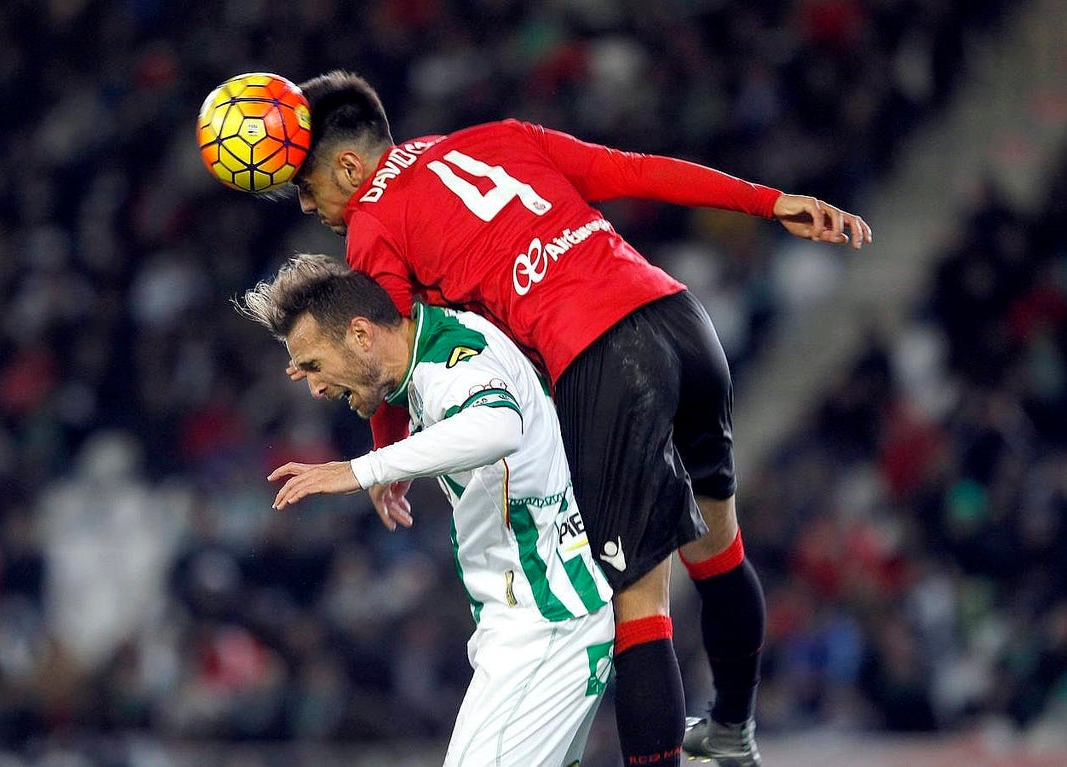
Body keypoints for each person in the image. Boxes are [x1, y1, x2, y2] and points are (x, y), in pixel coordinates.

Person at [282, 70, 873, 767]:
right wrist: (769, 201)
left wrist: (388, 456)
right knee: (719, 545)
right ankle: (734, 729)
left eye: (307, 185)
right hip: (679, 317)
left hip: (603, 356)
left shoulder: (373, 223)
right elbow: (636, 171)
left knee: (638, 601)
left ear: (350, 166)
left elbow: (381, 347)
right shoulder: (500, 138)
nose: (307, 205)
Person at [235, 254, 615, 767]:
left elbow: (500, 426)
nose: (316, 388)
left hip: (546, 622)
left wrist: (360, 469)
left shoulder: (446, 368)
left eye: (314, 366)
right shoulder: (436, 339)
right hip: (531, 621)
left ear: (362, 335)